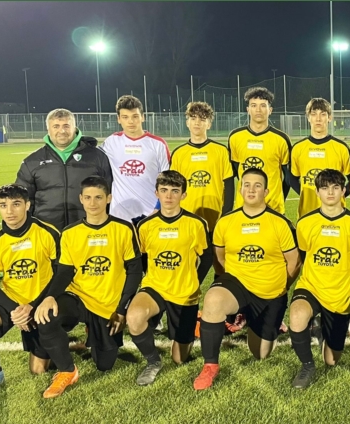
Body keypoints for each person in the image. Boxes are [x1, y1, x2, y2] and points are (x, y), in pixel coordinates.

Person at [34, 175, 143, 398]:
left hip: (109, 304)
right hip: (79, 297)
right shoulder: (70, 232)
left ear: (108, 198)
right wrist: (49, 297)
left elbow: (134, 271)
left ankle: (94, 331)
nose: (93, 203)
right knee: (46, 317)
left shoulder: (123, 229)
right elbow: (65, 272)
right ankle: (67, 371)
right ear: (81, 199)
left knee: (105, 365)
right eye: (88, 197)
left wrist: (122, 309)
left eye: (98, 197)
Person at [193, 168, 299, 390]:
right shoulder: (226, 222)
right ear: (240, 189)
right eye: (247, 185)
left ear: (266, 192)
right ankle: (210, 366)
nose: (251, 190)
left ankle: (252, 317)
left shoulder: (280, 223)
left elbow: (294, 262)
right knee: (213, 299)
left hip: (270, 293)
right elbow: (219, 259)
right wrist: (226, 286)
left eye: (257, 186)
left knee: (260, 353)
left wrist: (281, 287)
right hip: (238, 284)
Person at [0, 184, 60, 400]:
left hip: (41, 302)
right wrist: (15, 310)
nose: (9, 211)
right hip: (13, 302)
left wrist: (33, 306)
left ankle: (61, 344)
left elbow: (61, 274)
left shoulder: (48, 233)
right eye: (3, 205)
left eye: (16, 204)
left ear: (27, 205)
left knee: (38, 370)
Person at [126, 171, 208, 386]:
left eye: (174, 191)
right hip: (155, 287)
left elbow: (207, 256)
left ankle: (189, 330)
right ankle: (153, 361)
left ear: (183, 195)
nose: (169, 196)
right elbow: (142, 258)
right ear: (156, 193)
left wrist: (195, 281)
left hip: (185, 292)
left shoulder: (195, 223)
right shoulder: (145, 226)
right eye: (164, 190)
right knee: (134, 317)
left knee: (179, 359)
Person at [288, 169, 350, 389]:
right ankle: (307, 366)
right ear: (317, 192)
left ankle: (321, 327)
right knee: (297, 314)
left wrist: (339, 271)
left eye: (335, 188)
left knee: (331, 360)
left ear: (343, 191)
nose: (330, 193)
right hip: (311, 286)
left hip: (339, 295)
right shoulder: (305, 223)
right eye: (324, 188)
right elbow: (303, 255)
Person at [16, 108, 113, 230]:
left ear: (74, 128)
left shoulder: (97, 157)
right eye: (56, 126)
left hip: (87, 230)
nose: (62, 131)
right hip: (47, 232)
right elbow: (22, 199)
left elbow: (109, 193)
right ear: (48, 129)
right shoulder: (32, 161)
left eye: (66, 126)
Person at [169, 101, 234, 282]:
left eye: (202, 119)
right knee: (187, 260)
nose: (197, 122)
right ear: (187, 122)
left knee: (219, 261)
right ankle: (189, 289)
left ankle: (218, 293)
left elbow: (229, 185)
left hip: (215, 218)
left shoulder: (220, 151)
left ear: (209, 124)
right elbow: (174, 188)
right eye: (193, 118)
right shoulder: (179, 153)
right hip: (188, 218)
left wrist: (225, 215)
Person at [101, 95, 171, 226]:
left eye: (135, 116)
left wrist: (158, 208)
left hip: (151, 213)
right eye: (125, 117)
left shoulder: (158, 144)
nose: (131, 121)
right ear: (118, 119)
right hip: (119, 216)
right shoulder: (111, 142)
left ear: (143, 117)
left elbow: (168, 181)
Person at [228, 87, 292, 215]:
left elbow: (288, 177)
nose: (258, 110)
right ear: (248, 110)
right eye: (254, 105)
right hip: (243, 208)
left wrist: (279, 199)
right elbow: (235, 171)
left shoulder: (281, 139)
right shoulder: (235, 137)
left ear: (270, 110)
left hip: (273, 208)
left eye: (263, 105)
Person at [289, 97, 350, 220]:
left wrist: (339, 195)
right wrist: (306, 194)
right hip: (306, 214)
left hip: (335, 214)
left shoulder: (341, 148)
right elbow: (292, 178)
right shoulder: (298, 148)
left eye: (323, 114)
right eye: (314, 114)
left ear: (329, 118)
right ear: (308, 117)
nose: (318, 119)